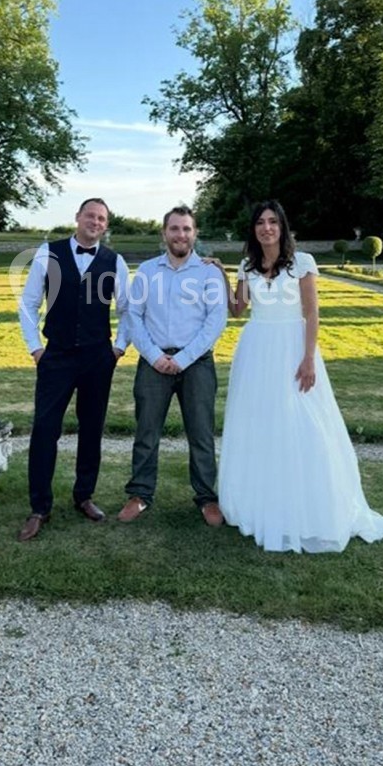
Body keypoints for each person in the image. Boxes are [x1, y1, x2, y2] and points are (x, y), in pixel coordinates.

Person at [209, 200, 383, 553]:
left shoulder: (303, 263)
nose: (266, 228)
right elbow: (238, 311)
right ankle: (261, 502)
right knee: (259, 423)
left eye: (272, 222)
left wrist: (308, 358)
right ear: (254, 229)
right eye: (260, 222)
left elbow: (312, 314)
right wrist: (221, 272)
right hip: (256, 350)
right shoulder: (247, 267)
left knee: (302, 422)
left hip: (293, 348)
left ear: (282, 226)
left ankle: (309, 507)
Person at [17, 197, 131, 541]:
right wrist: (36, 348)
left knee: (92, 428)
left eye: (102, 219)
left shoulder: (115, 261)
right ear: (78, 217)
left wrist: (119, 347)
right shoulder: (47, 253)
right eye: (90, 216)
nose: (95, 222)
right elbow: (29, 303)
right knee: (44, 429)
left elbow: (128, 309)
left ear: (106, 226)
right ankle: (40, 507)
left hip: (98, 358)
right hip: (57, 356)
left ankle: (84, 496)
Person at [119, 205, 228, 526]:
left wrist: (182, 359)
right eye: (175, 229)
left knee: (201, 433)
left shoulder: (208, 272)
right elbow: (133, 316)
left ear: (195, 233)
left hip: (196, 362)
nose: (181, 234)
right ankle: (140, 494)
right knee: (146, 431)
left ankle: (207, 498)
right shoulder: (148, 272)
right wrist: (155, 356)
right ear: (164, 233)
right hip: (153, 361)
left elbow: (215, 321)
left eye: (187, 229)